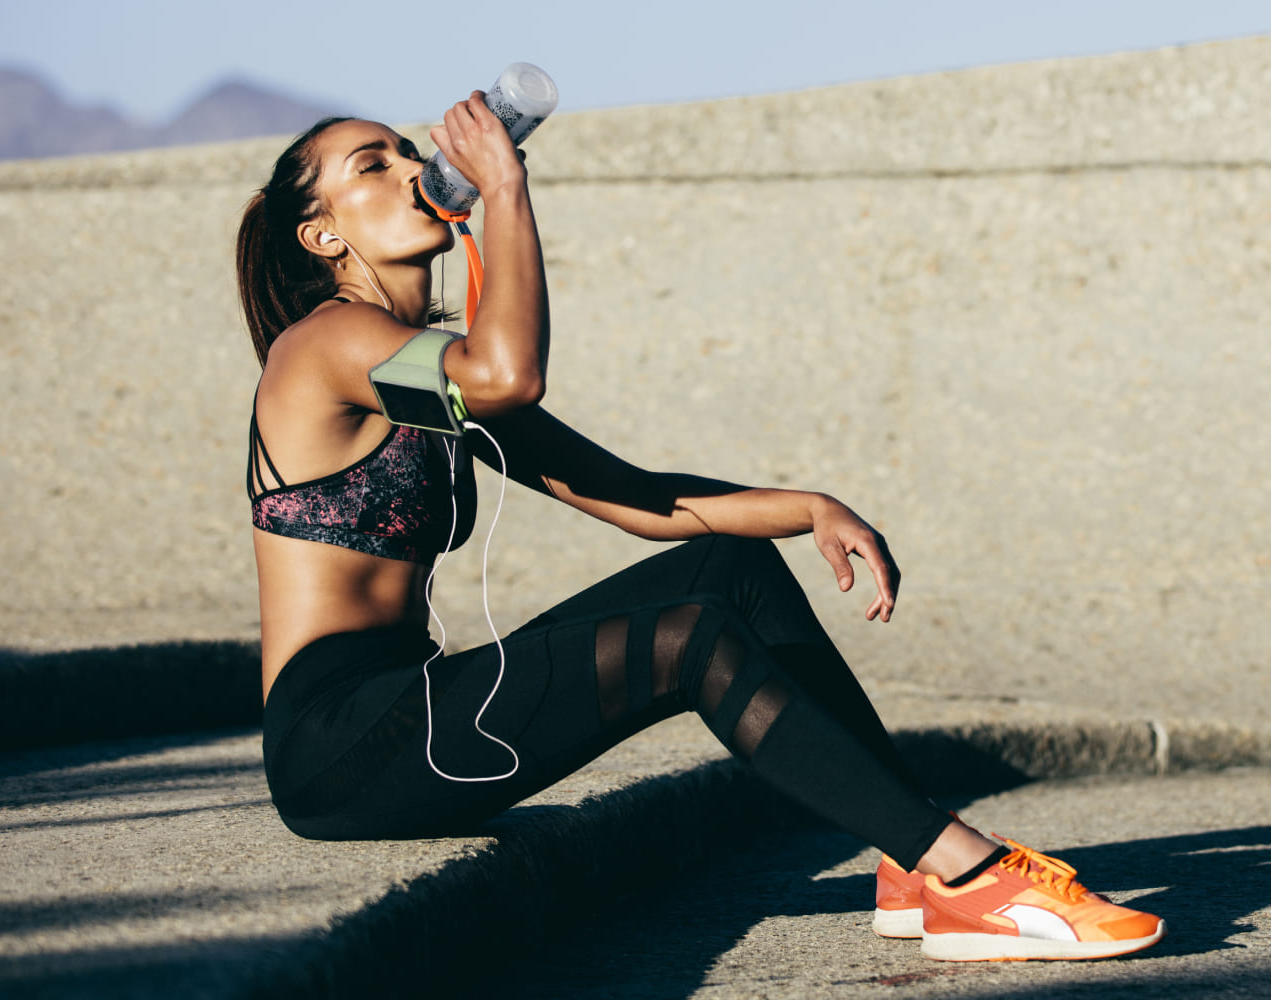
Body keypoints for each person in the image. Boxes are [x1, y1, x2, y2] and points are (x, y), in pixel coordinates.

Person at [234, 94, 1164, 963]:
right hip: (343, 747)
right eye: (373, 165)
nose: (411, 168)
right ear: (322, 233)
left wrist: (806, 507)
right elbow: (510, 373)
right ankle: (968, 872)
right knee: (688, 640)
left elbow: (638, 499)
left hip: (410, 706)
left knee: (728, 566)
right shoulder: (323, 343)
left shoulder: (419, 372)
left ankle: (912, 856)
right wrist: (508, 187)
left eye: (406, 151)